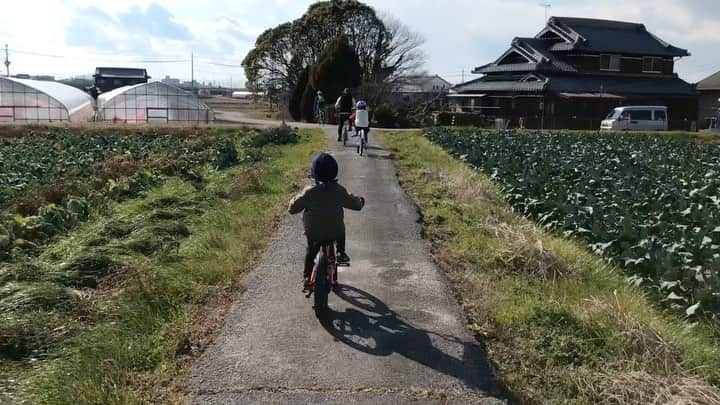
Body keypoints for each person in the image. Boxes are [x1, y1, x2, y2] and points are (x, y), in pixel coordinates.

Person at [288, 153, 365, 289]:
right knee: (340, 230)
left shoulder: (309, 192)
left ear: (314, 172)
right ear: (334, 171)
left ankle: (307, 278)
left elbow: (292, 209)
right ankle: (341, 252)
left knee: (311, 252)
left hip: (314, 233)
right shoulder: (339, 190)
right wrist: (360, 201)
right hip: (335, 231)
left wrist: (294, 199)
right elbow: (356, 205)